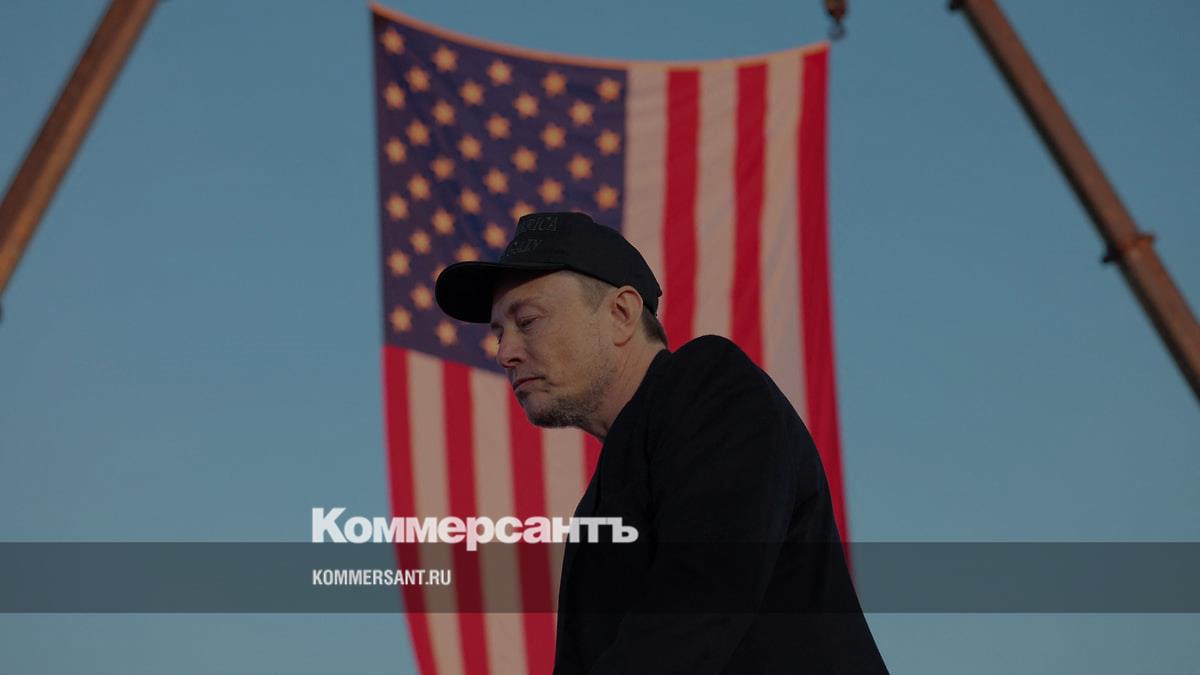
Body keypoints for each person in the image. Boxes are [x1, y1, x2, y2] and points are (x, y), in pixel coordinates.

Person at [435, 211, 888, 674]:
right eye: (498, 332)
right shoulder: (598, 506)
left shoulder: (710, 386)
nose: (504, 352)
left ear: (621, 314)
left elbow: (699, 602)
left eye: (528, 321)